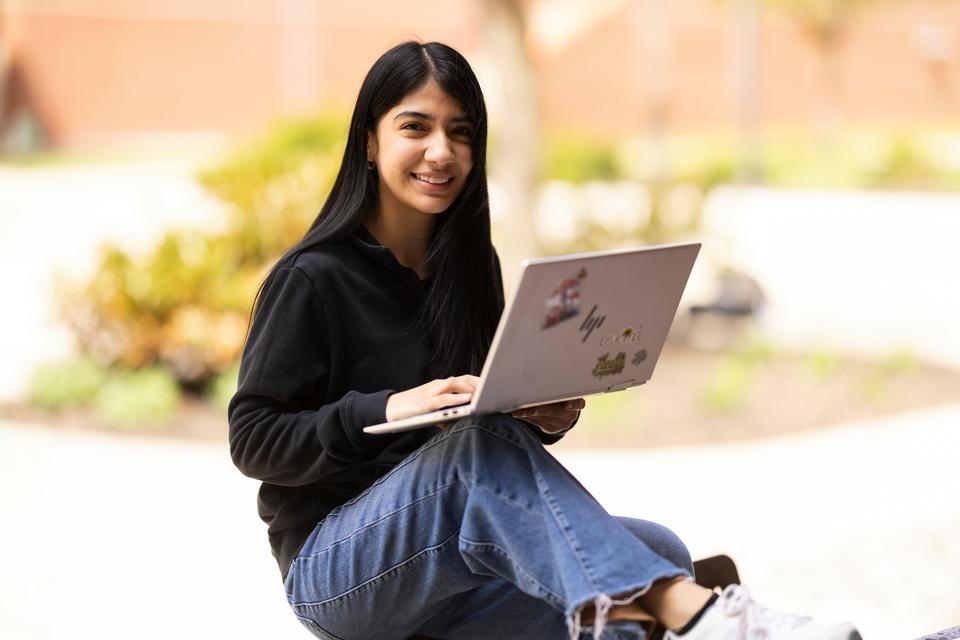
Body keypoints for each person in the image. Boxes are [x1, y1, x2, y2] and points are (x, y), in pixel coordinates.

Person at [228, 41, 861, 640]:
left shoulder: (471, 272)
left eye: (461, 132)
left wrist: (537, 415)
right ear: (369, 141)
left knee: (658, 550)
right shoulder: (312, 277)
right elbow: (253, 439)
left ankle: (675, 619)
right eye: (415, 127)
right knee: (641, 572)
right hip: (340, 575)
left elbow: (477, 431)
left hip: (447, 573)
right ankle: (706, 619)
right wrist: (385, 410)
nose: (441, 152)